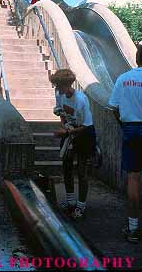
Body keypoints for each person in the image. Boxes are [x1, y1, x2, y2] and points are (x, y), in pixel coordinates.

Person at [108, 44, 142, 243]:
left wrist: (123, 124)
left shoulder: (124, 79)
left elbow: (113, 106)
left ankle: (133, 228)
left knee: (133, 179)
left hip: (130, 129)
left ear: (137, 59)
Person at [50, 69, 96, 219]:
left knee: (82, 172)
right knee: (66, 166)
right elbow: (62, 113)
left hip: (84, 133)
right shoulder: (59, 95)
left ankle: (80, 207)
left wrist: (67, 133)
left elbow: (86, 125)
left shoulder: (80, 100)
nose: (56, 89)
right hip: (69, 130)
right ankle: (70, 202)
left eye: (58, 85)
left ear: (67, 85)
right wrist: (64, 126)